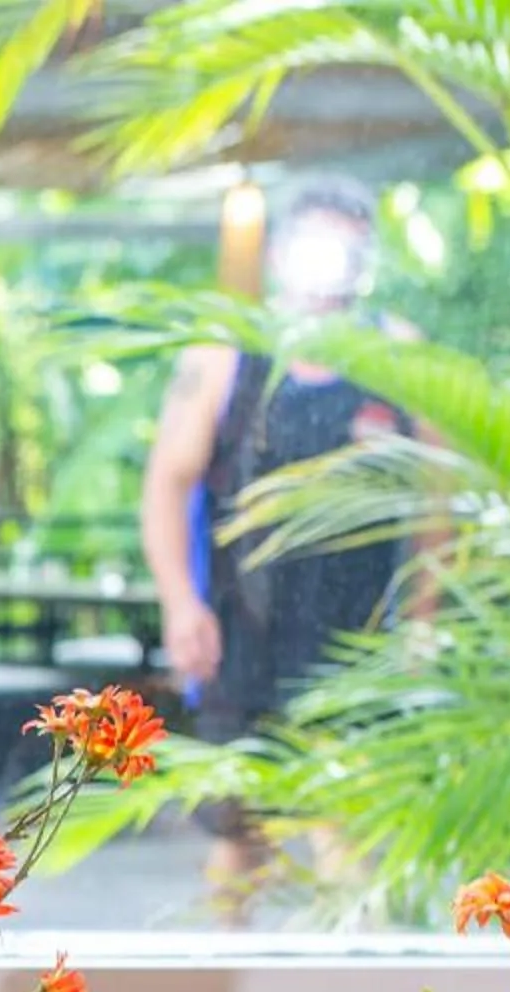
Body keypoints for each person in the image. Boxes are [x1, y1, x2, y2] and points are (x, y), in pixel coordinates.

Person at [142, 176, 415, 911]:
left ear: (367, 256)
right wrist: (180, 603)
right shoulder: (227, 357)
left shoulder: (398, 358)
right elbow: (166, 483)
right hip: (245, 628)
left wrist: (422, 622)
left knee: (346, 830)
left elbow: (437, 508)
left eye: (345, 244)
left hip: (356, 638)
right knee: (241, 832)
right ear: (283, 256)